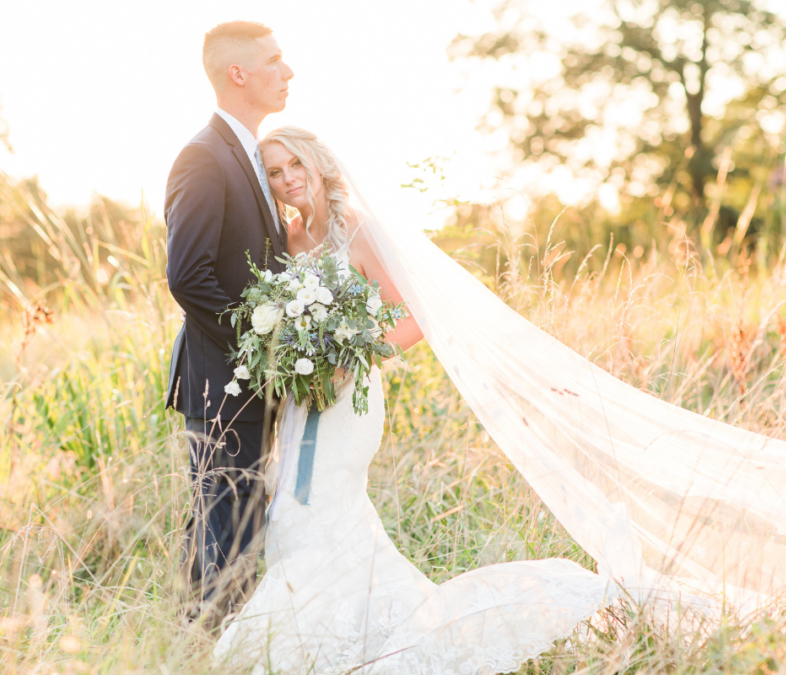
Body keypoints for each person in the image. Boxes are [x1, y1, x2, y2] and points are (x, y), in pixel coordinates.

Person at [212, 126, 613, 673]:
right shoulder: (288, 238)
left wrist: (353, 360)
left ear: (318, 165)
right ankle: (346, 631)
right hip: (303, 401)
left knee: (321, 505)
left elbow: (414, 314)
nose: (287, 181)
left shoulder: (358, 229)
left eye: (294, 166)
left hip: (349, 399)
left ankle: (305, 643)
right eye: (275, 173)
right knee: (291, 511)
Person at [163, 21, 293, 625]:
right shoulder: (204, 156)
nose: (287, 72)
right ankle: (216, 649)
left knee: (236, 529)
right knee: (227, 534)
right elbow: (188, 277)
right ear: (237, 73)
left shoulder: (248, 155)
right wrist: (261, 349)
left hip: (247, 383)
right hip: (223, 379)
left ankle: (202, 649)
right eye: (273, 61)